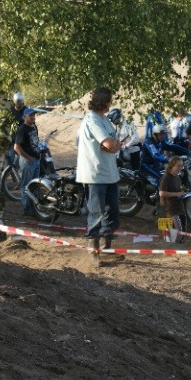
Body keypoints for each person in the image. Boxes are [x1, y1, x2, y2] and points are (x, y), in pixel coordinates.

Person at [76, 87, 122, 266]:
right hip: (95, 174)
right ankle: (93, 250)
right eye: (110, 100)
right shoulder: (92, 119)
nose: (111, 103)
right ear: (104, 101)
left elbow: (113, 144)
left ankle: (105, 246)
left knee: (113, 212)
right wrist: (114, 145)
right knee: (96, 212)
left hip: (109, 173)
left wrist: (114, 145)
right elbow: (110, 144)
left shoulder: (104, 120)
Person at [13, 107, 40, 216]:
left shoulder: (33, 127)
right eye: (30, 115)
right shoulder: (22, 129)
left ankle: (34, 207)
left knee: (35, 185)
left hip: (36, 160)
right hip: (27, 161)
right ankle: (26, 208)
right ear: (25, 117)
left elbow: (35, 142)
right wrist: (28, 158)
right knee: (26, 185)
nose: (33, 117)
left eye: (34, 115)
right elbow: (16, 147)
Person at [159, 156, 187, 243]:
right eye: (178, 166)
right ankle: (172, 244)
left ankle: (176, 243)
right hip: (169, 208)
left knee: (183, 226)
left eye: (181, 166)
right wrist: (177, 194)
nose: (180, 168)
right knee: (176, 230)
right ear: (172, 166)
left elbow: (179, 189)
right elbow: (162, 193)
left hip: (179, 206)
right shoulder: (166, 177)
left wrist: (184, 191)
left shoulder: (178, 177)